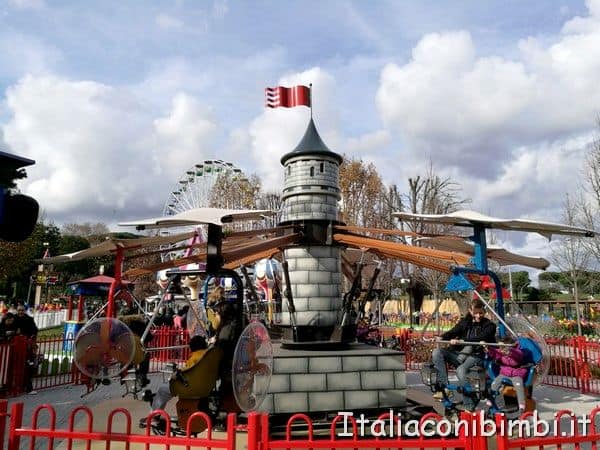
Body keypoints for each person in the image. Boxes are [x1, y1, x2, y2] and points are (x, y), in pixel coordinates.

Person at [431, 299, 496, 410]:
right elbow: (454, 331)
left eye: (481, 313)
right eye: (475, 313)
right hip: (461, 355)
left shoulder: (489, 325)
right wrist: (443, 337)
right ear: (470, 311)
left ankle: (469, 404)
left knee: (461, 370)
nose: (478, 315)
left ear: (484, 312)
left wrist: (462, 340)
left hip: (477, 355)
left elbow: (481, 337)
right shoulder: (466, 322)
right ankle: (444, 386)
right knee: (437, 352)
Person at [142, 334, 208, 424]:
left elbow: (186, 372)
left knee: (162, 390)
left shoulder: (195, 358)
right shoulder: (207, 355)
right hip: (205, 387)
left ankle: (154, 417)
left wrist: (176, 374)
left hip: (191, 387)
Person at [486, 335, 528, 413]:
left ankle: (521, 406)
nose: (502, 350)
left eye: (504, 348)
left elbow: (517, 355)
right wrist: (488, 348)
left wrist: (510, 352)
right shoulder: (501, 352)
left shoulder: (518, 352)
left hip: (516, 373)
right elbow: (494, 353)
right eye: (501, 348)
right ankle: (491, 401)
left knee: (519, 385)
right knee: (495, 383)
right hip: (505, 373)